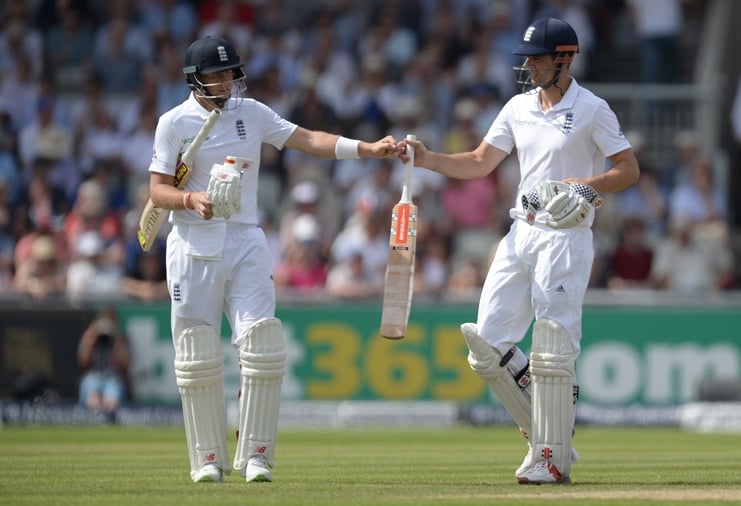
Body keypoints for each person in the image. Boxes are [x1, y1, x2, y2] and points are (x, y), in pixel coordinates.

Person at [146, 35, 401, 484]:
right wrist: (192, 200)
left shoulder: (252, 113)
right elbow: (157, 191)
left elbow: (309, 139)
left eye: (230, 73)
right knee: (198, 354)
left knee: (262, 344)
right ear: (195, 79)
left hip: (245, 237)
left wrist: (366, 148)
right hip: (192, 242)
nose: (226, 82)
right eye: (217, 75)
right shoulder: (173, 122)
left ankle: (257, 454)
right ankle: (207, 458)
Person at [402, 18, 639, 484]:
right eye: (527, 59)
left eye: (537, 58)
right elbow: (477, 162)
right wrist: (427, 158)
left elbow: (628, 168)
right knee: (486, 346)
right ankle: (551, 436)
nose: (528, 66)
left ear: (564, 59)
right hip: (521, 233)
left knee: (553, 348)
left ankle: (550, 456)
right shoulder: (517, 107)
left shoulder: (592, 109)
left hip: (566, 237)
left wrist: (589, 185)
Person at [77, 308, 131, 420]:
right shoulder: (93, 339)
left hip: (112, 377)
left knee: (111, 403)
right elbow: (83, 361)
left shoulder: (120, 339)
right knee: (94, 401)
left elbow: (125, 363)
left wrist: (116, 338)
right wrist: (91, 335)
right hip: (93, 375)